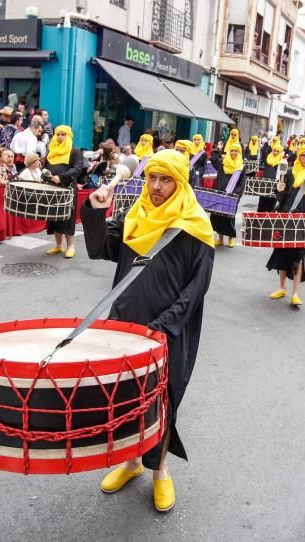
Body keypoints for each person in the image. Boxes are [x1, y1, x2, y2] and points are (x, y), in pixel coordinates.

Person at [83, 149, 214, 513]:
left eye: (166, 179)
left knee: (162, 400)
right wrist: (94, 210)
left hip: (168, 332)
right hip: (124, 324)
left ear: (180, 182)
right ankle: (130, 462)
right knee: (126, 397)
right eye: (152, 178)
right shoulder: (133, 215)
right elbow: (100, 248)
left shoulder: (195, 224)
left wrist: (162, 328)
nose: (156, 187)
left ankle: (160, 470)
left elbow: (195, 289)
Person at [267, 143, 305, 307]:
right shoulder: (289, 173)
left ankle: (295, 293)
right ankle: (282, 288)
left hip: (303, 222)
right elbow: (281, 199)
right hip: (285, 218)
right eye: (303, 155)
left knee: (299, 258)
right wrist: (279, 190)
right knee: (281, 253)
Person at [43, 126, 85, 258]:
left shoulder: (75, 151)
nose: (60, 137)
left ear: (68, 136)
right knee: (54, 217)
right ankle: (58, 245)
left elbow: (77, 169)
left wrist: (61, 178)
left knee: (67, 217)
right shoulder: (51, 151)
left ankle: (71, 246)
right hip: (52, 188)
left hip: (67, 189)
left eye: (63, 134)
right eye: (58, 134)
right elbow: (46, 168)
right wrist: (45, 177)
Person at [210, 142, 245, 247]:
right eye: (232, 150)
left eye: (236, 151)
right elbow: (214, 160)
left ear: (239, 153)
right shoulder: (223, 163)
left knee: (230, 218)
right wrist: (218, 149)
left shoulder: (241, 167)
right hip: (220, 194)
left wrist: (236, 195)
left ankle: (230, 239)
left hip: (232, 197)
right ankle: (220, 239)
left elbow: (242, 183)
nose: (233, 152)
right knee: (218, 217)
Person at [259, 141, 286, 212]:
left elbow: (283, 175)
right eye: (274, 150)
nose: (276, 152)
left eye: (278, 151)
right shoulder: (268, 158)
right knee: (261, 204)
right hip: (265, 184)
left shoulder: (282, 162)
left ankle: (267, 221)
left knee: (270, 205)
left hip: (275, 186)